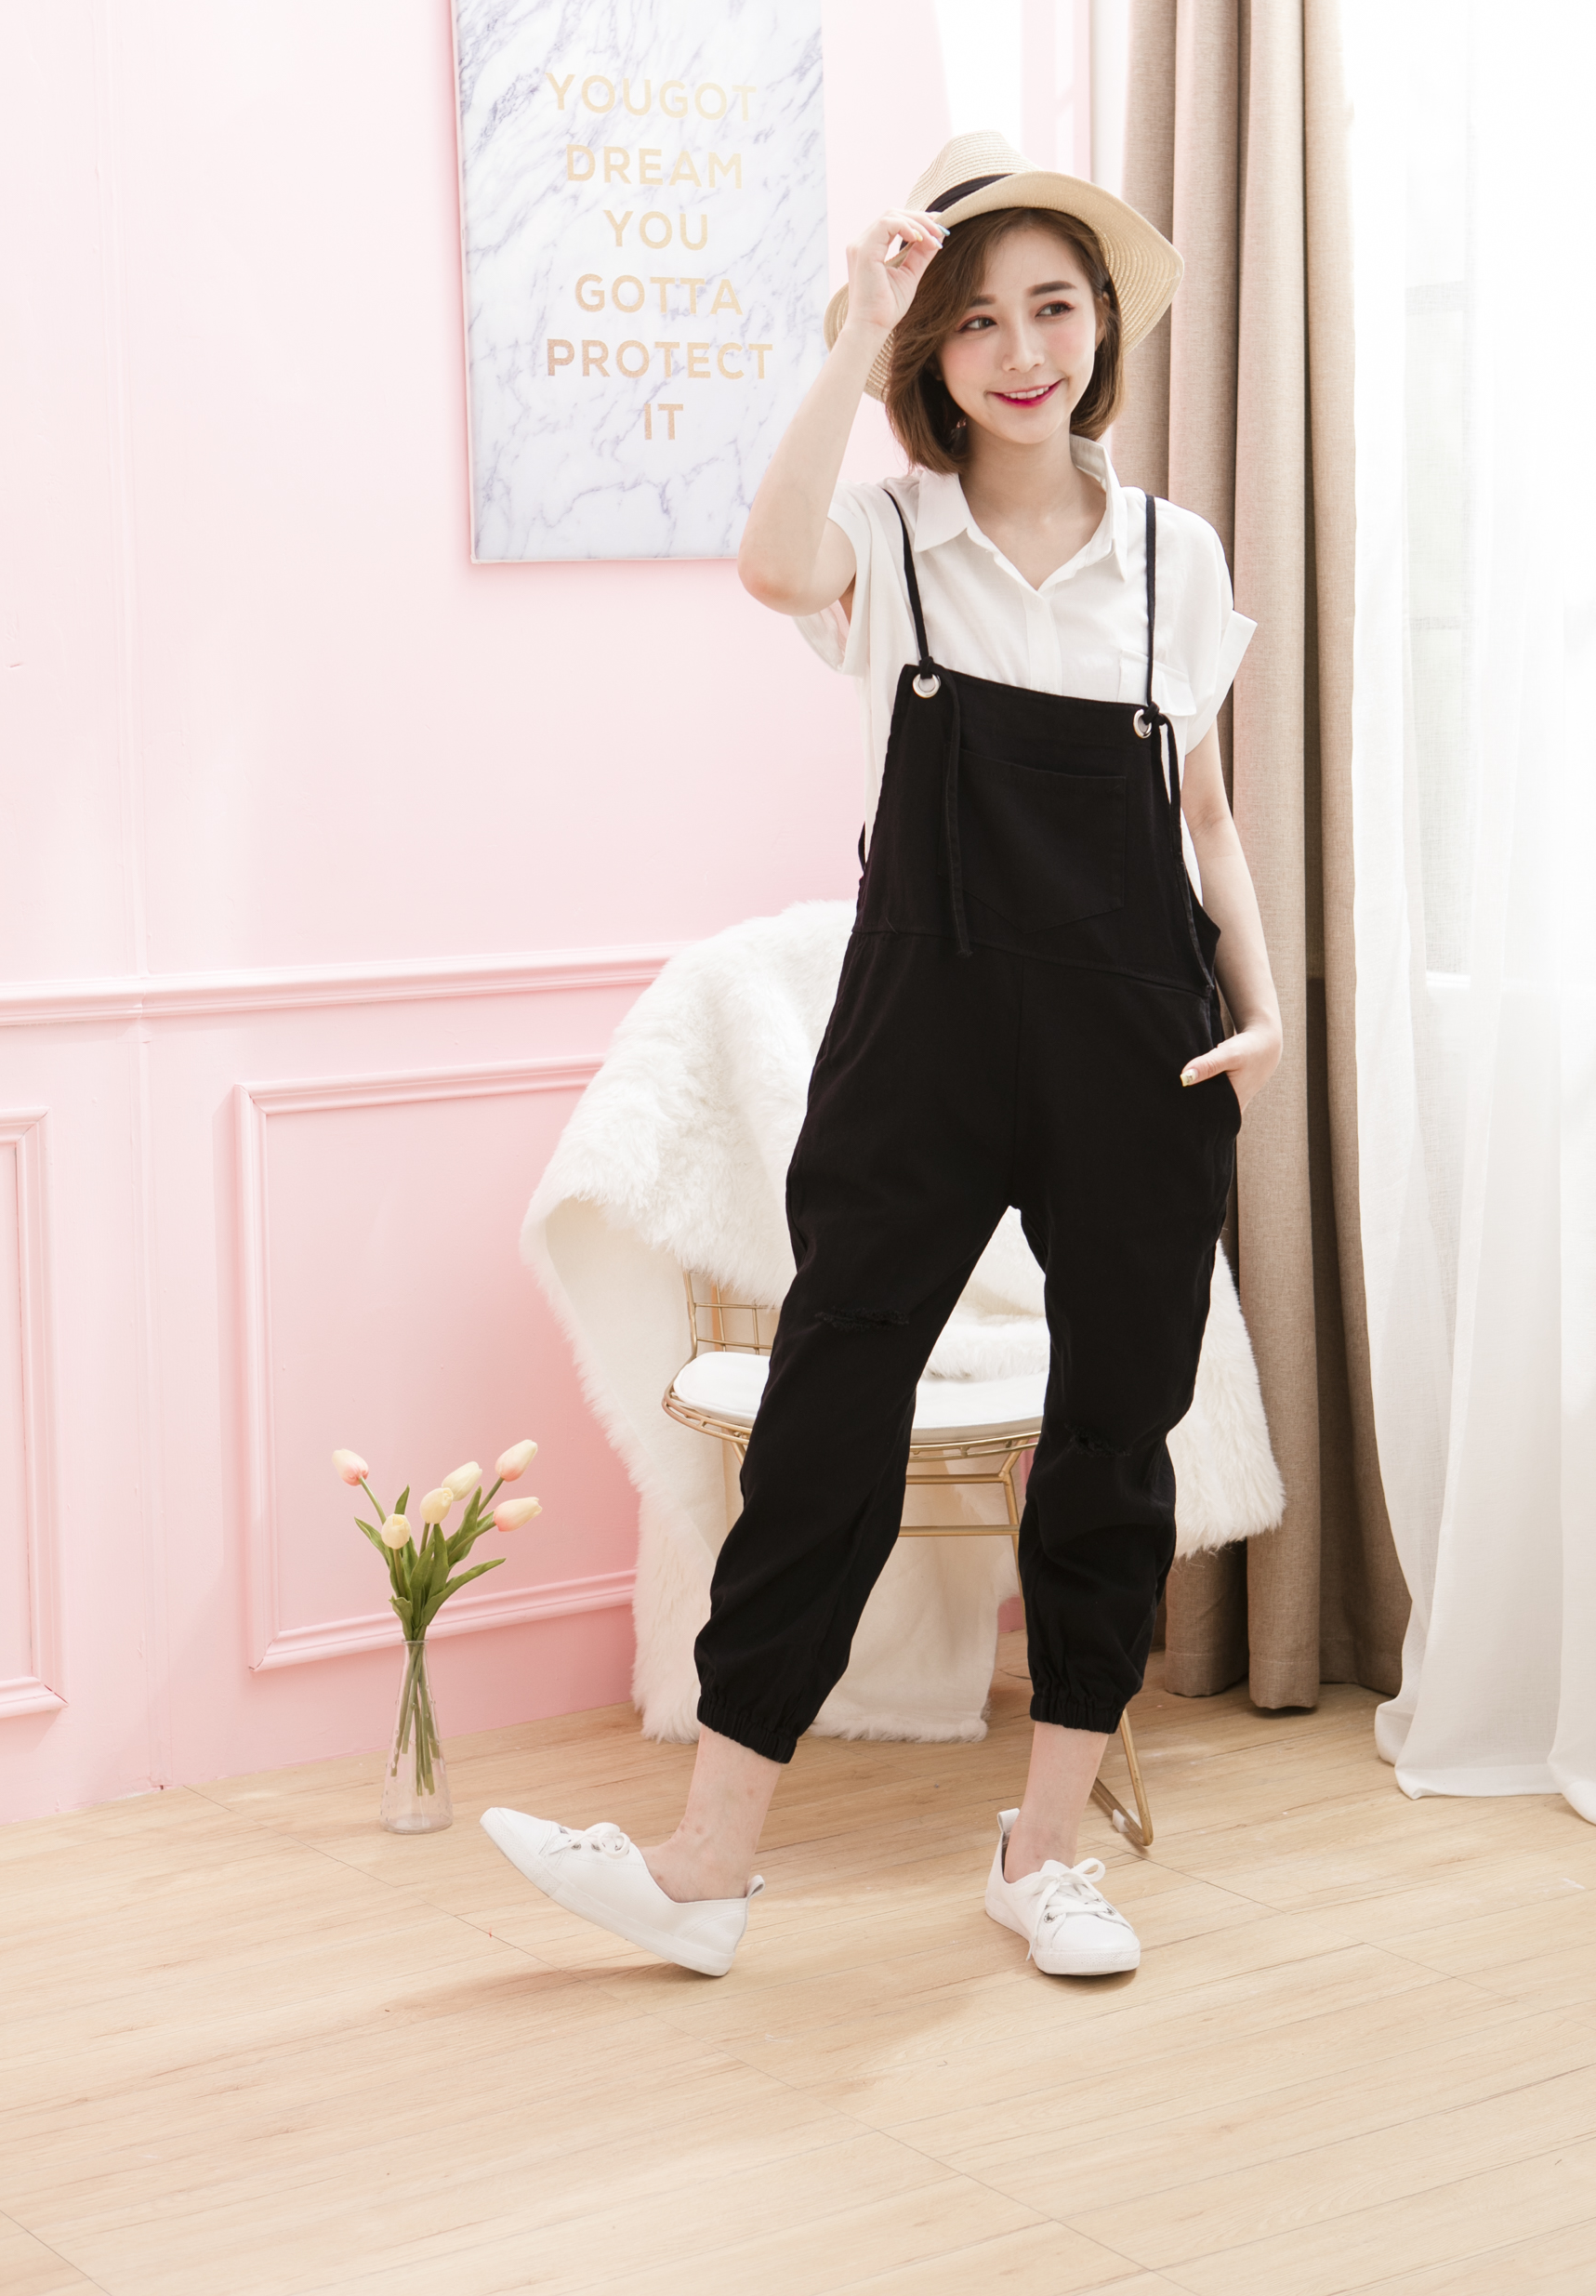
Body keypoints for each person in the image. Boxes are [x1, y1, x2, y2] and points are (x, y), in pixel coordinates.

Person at [483, 133, 1283, 1978]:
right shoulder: (891, 541)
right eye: (975, 320)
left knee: (1113, 1443)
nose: (1023, 351)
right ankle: (704, 1867)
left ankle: (1045, 1853)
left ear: (1102, 327)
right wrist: (855, 325)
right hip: (921, 1042)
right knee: (826, 1424)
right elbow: (768, 562)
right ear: (933, 352)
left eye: (1054, 308)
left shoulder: (1172, 558)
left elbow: (1204, 817)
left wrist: (1261, 1005)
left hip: (1141, 1047)